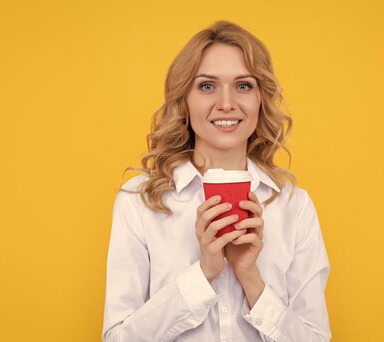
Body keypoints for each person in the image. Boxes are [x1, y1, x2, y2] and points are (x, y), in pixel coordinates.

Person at [102, 20, 331, 341]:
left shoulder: (293, 206)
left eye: (243, 85)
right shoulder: (139, 201)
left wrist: (250, 277)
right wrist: (204, 273)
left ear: (260, 99)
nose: (226, 103)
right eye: (207, 86)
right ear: (184, 100)